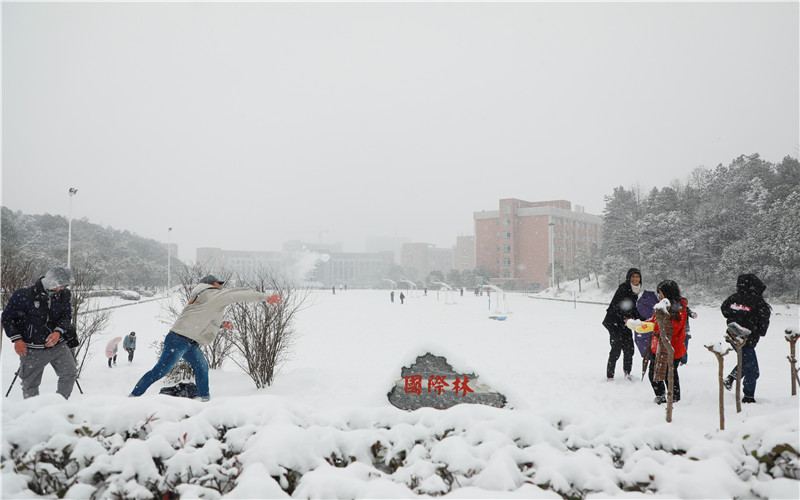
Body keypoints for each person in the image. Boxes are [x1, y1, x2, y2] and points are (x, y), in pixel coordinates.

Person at [129, 274, 282, 401]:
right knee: (160, 371)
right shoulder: (211, 294)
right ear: (210, 284)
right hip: (179, 339)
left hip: (189, 341)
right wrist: (265, 297)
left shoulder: (205, 298)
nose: (221, 286)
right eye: (218, 283)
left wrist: (220, 324)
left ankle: (204, 399)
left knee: (202, 367)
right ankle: (133, 396)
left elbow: (201, 319)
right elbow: (235, 295)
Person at [1, 266, 78, 399]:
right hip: (32, 349)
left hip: (57, 346)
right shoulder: (23, 294)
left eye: (65, 285)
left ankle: (59, 405)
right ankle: (34, 413)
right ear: (51, 281)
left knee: (69, 373)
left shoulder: (64, 294)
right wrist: (17, 339)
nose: (63, 288)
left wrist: (58, 332)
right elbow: (7, 318)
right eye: (61, 285)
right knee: (30, 384)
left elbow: (66, 316)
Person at [721, 274, 771, 403]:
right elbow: (763, 323)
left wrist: (734, 318)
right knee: (753, 370)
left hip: (733, 336)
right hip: (748, 340)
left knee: (746, 363)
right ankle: (748, 396)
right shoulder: (759, 302)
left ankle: (731, 379)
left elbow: (724, 309)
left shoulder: (733, 298)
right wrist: (756, 330)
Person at [641, 280, 687, 404]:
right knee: (658, 373)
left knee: (669, 375)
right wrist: (643, 324)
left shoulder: (679, 308)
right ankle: (664, 396)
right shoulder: (662, 306)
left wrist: (654, 327)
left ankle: (673, 399)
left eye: (660, 293)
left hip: (672, 348)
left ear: (667, 293)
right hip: (658, 347)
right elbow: (656, 320)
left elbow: (672, 327)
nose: (659, 296)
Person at [602, 268, 646, 381]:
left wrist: (643, 319)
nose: (635, 279)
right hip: (614, 322)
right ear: (628, 278)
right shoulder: (624, 287)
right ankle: (609, 376)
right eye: (633, 277)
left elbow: (632, 307)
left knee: (629, 348)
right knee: (616, 349)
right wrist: (625, 318)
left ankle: (627, 374)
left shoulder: (635, 289)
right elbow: (617, 305)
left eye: (637, 277)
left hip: (625, 323)